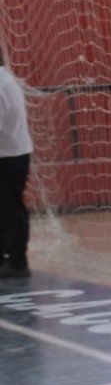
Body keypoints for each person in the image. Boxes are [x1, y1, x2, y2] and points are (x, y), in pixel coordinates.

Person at [0, 48, 31, 279]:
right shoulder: (5, 78)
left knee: (10, 210)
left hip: (8, 157)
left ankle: (17, 261)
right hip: (11, 154)